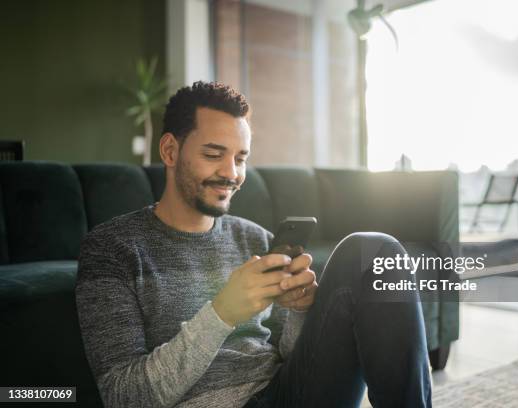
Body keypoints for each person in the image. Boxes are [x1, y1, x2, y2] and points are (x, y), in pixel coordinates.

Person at [75, 81, 432, 408]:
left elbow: (288, 355)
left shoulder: (254, 238)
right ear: (170, 150)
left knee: (373, 251)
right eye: (214, 155)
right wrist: (223, 312)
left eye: (241, 158)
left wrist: (300, 311)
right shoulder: (111, 250)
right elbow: (123, 396)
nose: (232, 173)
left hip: (287, 395)